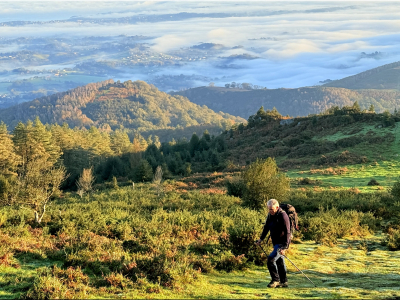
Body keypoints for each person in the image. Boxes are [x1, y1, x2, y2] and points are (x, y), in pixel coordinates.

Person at [255, 199, 291, 288]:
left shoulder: (283, 216)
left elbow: (288, 232)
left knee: (271, 259)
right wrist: (261, 239)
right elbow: (266, 227)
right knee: (279, 261)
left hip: (282, 243)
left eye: (271, 209)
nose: (270, 211)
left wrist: (285, 247)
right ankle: (284, 282)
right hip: (275, 242)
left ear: (277, 207)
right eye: (269, 209)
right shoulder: (270, 215)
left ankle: (275, 280)